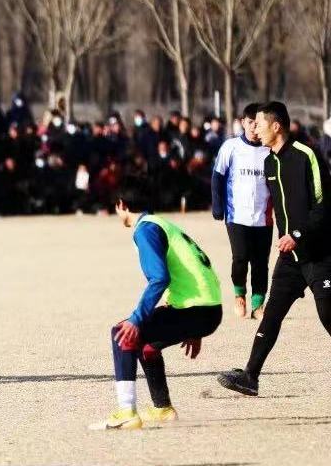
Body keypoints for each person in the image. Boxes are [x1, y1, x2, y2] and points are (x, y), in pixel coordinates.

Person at [217, 101, 331, 397]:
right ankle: (250, 377)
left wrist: (297, 234)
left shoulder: (306, 155)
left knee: (327, 314)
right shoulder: (269, 162)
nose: (254, 128)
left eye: (259, 123)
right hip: (290, 257)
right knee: (271, 315)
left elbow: (324, 205)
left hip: (320, 253)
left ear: (276, 125)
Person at [89, 183, 222, 430]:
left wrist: (136, 318)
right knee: (148, 346)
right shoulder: (162, 224)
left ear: (122, 205)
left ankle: (126, 411)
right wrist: (195, 326)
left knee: (122, 333)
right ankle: (162, 409)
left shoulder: (146, 230)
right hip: (209, 309)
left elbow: (160, 278)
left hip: (195, 310)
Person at [212, 102, 272, 319]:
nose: (254, 128)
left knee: (261, 262)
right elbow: (217, 177)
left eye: (258, 123)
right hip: (236, 215)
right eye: (250, 123)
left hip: (263, 217)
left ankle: (258, 304)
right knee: (240, 256)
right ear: (242, 123)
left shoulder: (269, 149)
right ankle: (239, 295)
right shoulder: (231, 147)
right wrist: (217, 205)